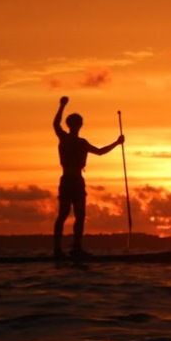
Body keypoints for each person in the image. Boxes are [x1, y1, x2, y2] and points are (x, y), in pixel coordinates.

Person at [53, 96, 124, 259]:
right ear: (73, 125)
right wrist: (62, 106)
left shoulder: (82, 143)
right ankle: (57, 249)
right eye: (76, 124)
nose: (77, 126)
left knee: (80, 215)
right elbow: (56, 124)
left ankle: (76, 248)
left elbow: (99, 152)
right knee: (64, 214)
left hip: (77, 181)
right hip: (68, 181)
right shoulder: (64, 138)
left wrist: (117, 143)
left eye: (78, 124)